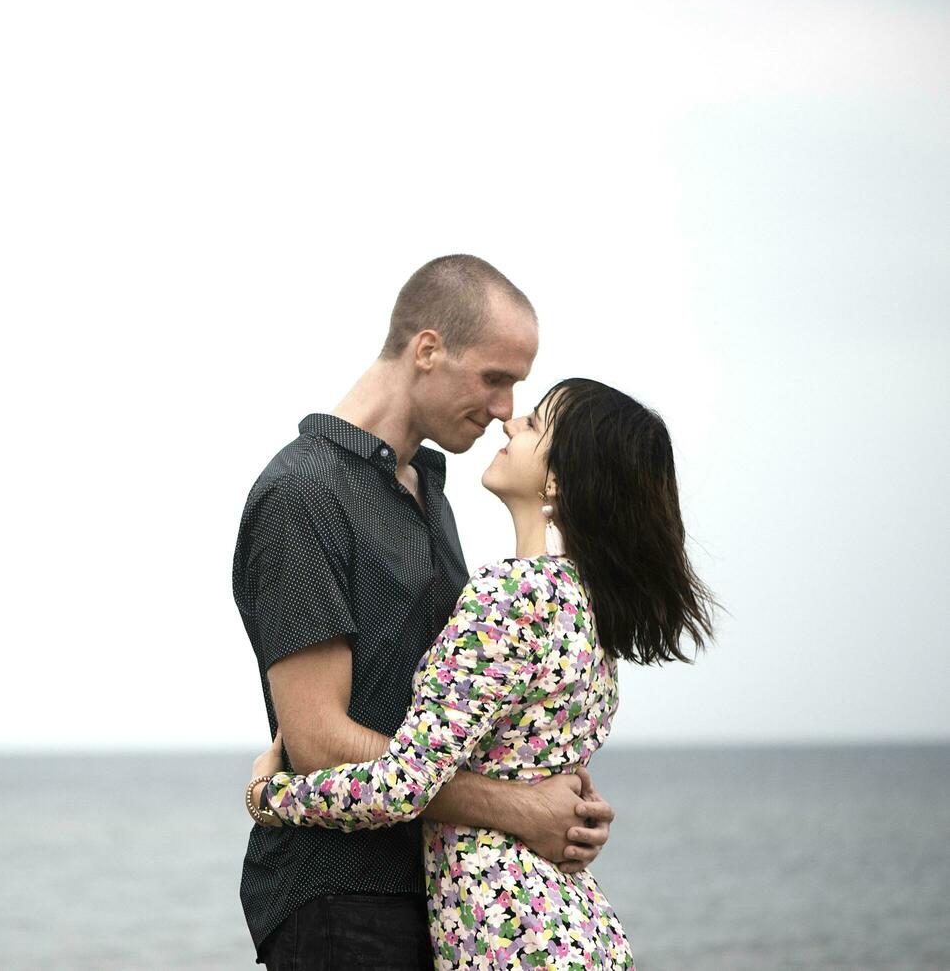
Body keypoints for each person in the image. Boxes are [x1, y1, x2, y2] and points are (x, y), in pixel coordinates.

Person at [245, 378, 716, 969]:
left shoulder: (511, 596)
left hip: (506, 931)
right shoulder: (585, 605)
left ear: (558, 480)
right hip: (572, 928)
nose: (510, 422)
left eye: (536, 423)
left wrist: (271, 794)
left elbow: (400, 786)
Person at [233, 256, 616, 969]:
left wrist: (559, 804)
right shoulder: (303, 493)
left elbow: (459, 713)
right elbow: (316, 744)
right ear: (429, 349)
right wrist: (518, 809)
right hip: (341, 895)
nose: (506, 410)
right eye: (495, 378)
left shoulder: (428, 492)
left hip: (447, 900)